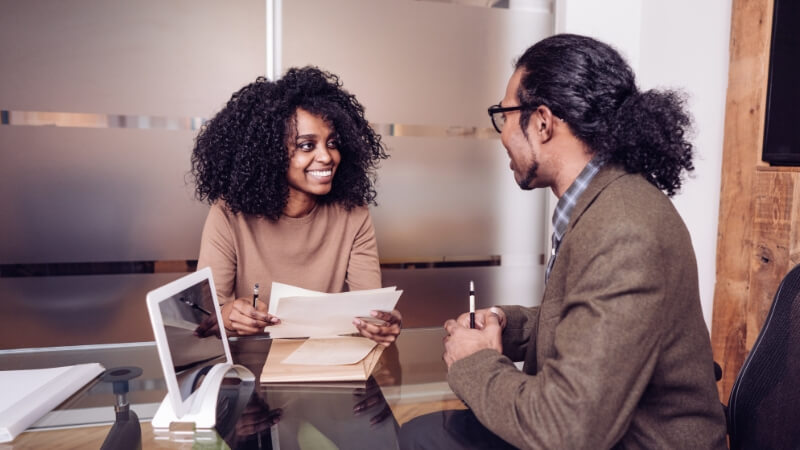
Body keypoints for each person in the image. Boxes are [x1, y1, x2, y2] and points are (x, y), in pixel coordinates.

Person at [400, 34, 728, 449]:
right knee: (421, 432)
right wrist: (507, 323)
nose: (502, 135)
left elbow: (567, 430)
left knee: (422, 440)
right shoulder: (605, 200)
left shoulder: (624, 229)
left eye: (505, 116)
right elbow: (593, 322)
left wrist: (476, 360)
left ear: (542, 122)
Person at [191, 66, 402, 346]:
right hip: (250, 369)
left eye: (332, 143)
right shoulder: (229, 214)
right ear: (270, 153)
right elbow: (203, 319)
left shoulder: (353, 213)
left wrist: (382, 323)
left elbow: (370, 308)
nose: (326, 157)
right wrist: (227, 316)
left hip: (328, 366)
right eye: (307, 145)